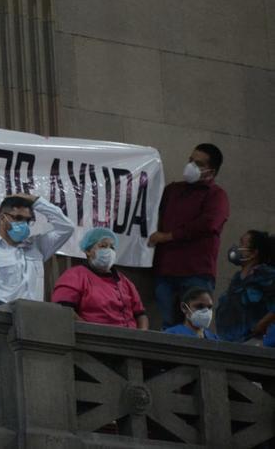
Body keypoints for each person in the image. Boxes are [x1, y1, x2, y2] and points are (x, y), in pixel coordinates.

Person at [148, 143, 229, 329]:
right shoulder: (173, 191)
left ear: (211, 170)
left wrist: (168, 236)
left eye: (198, 163)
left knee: (195, 325)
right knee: (168, 324)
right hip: (166, 270)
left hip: (196, 272)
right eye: (190, 160)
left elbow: (208, 224)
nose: (191, 166)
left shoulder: (217, 196)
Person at [0, 193, 74, 303]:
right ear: (2, 218)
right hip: (0, 315)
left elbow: (67, 227)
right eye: (18, 218)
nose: (24, 224)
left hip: (32, 315)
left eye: (28, 220)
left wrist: (36, 201)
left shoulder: (36, 246)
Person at [52, 227, 148, 330]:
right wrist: (91, 332)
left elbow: (141, 314)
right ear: (88, 251)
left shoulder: (124, 281)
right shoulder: (75, 275)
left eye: (112, 247)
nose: (109, 251)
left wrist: (142, 336)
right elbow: (63, 309)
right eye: (103, 246)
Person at [215, 230, 275, 343]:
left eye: (242, 244)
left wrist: (261, 325)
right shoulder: (237, 278)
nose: (237, 248)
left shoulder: (266, 275)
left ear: (253, 253)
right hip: (230, 341)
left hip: (253, 342)